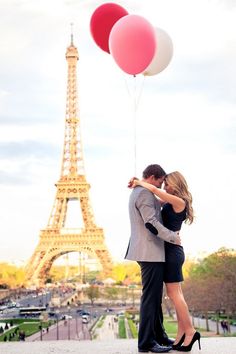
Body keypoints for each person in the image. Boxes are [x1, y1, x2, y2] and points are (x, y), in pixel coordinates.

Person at [131, 171, 201, 352]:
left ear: (176, 184)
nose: (165, 186)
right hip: (169, 250)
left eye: (168, 183)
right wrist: (139, 185)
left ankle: (190, 332)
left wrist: (139, 182)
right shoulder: (172, 201)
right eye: (165, 183)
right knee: (176, 294)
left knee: (175, 295)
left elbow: (154, 189)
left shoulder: (179, 202)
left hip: (172, 252)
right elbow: (154, 200)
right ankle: (180, 335)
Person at [125, 164, 181, 353]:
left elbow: (158, 204)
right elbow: (151, 223)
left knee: (155, 297)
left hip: (149, 251)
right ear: (152, 177)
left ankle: (159, 336)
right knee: (150, 298)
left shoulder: (141, 192)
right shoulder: (143, 194)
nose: (161, 185)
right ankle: (147, 342)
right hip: (149, 252)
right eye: (160, 181)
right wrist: (174, 237)